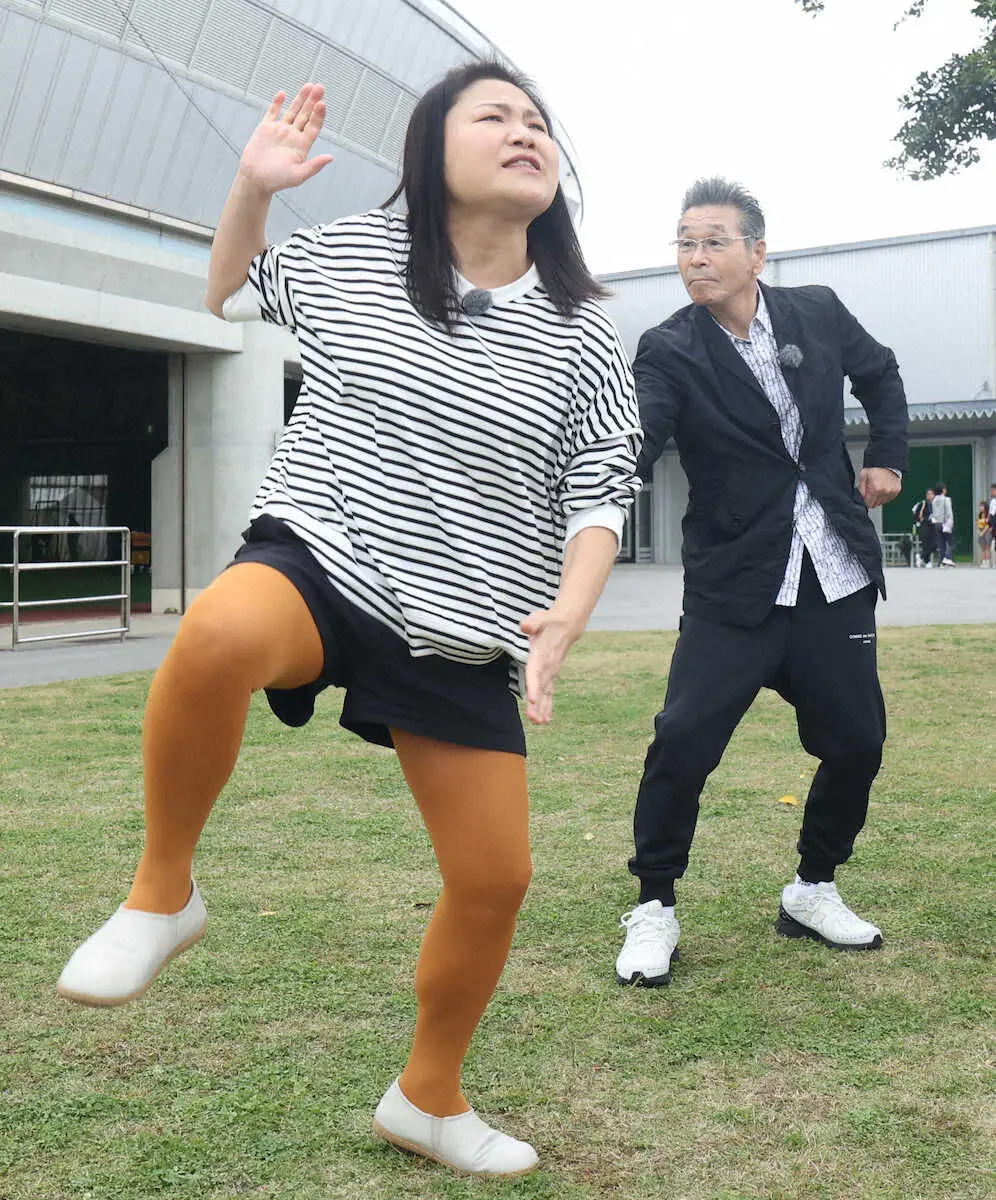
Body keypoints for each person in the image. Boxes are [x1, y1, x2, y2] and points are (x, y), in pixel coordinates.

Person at [57, 63, 642, 1177]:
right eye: (495, 117)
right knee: (220, 633)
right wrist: (254, 188)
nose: (525, 132)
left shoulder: (584, 330)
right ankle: (162, 893)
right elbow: (227, 291)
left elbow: (602, 487)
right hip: (328, 552)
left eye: (537, 122)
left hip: (465, 616)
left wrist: (567, 616)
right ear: (432, 153)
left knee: (495, 880)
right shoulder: (356, 256)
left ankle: (427, 1098)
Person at [614, 178, 908, 988]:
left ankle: (813, 889)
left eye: (713, 242)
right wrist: (597, 484)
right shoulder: (670, 347)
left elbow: (881, 374)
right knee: (682, 739)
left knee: (858, 741)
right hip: (735, 582)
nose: (695, 258)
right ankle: (654, 905)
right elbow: (642, 434)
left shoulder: (817, 312)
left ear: (757, 252)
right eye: (684, 244)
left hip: (831, 571)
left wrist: (887, 455)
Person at [931, 482, 955, 566]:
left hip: (937, 523)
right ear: (943, 490)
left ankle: (940, 561)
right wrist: (951, 522)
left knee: (941, 543)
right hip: (945, 523)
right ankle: (947, 557)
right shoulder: (946, 499)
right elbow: (949, 512)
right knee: (950, 542)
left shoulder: (934, 500)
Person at [913, 487, 935, 567]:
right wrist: (919, 521)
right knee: (925, 544)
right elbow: (915, 513)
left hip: (933, 526)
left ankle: (921, 556)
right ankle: (927, 562)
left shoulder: (935, 504)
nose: (930, 495)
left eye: (931, 494)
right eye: (928, 494)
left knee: (934, 544)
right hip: (924, 526)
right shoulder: (923, 503)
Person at [977, 501, 992, 567]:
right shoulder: (979, 514)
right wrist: (979, 531)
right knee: (982, 547)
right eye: (980, 506)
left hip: (987, 532)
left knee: (987, 547)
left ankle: (988, 562)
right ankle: (983, 562)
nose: (980, 507)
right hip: (981, 532)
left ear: (985, 507)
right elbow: (978, 523)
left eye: (982, 506)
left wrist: (982, 532)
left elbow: (988, 525)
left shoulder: (988, 515)